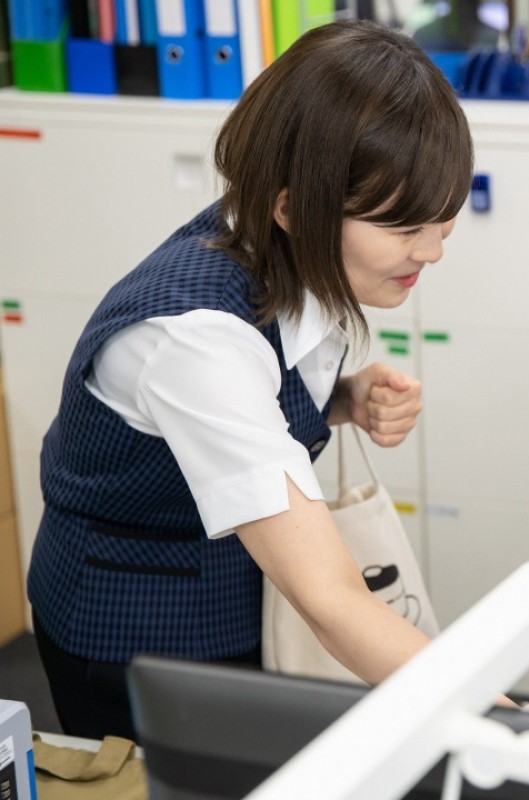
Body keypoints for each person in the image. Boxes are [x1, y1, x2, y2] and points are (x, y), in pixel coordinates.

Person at [26, 20, 474, 741]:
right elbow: (331, 600)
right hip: (133, 629)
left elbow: (255, 398)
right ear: (293, 206)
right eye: (404, 226)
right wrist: (502, 723)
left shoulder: (286, 239)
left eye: (444, 219)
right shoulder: (194, 338)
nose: (431, 249)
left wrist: (341, 399)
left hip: (235, 589)